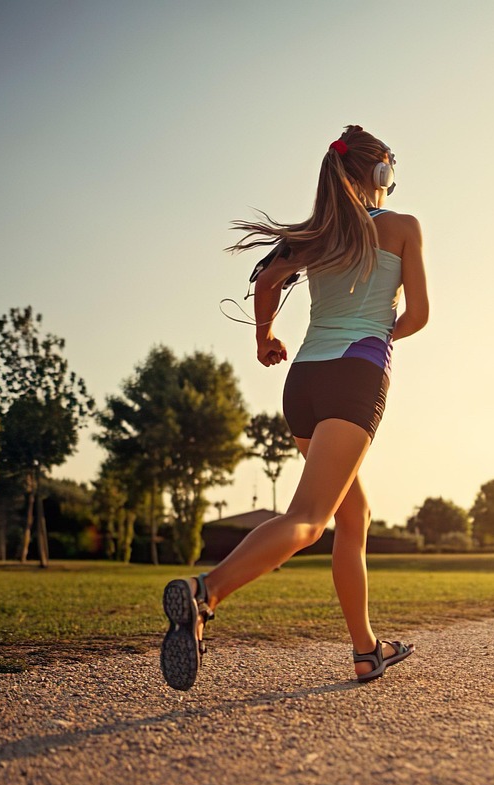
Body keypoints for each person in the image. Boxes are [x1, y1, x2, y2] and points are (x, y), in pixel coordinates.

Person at [161, 125, 429, 691]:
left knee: (352, 515)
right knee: (307, 520)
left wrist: (265, 340)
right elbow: (419, 315)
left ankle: (366, 651)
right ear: (380, 176)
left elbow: (266, 281)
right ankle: (205, 594)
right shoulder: (403, 226)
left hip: (303, 383)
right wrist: (376, 338)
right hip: (355, 376)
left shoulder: (313, 236)